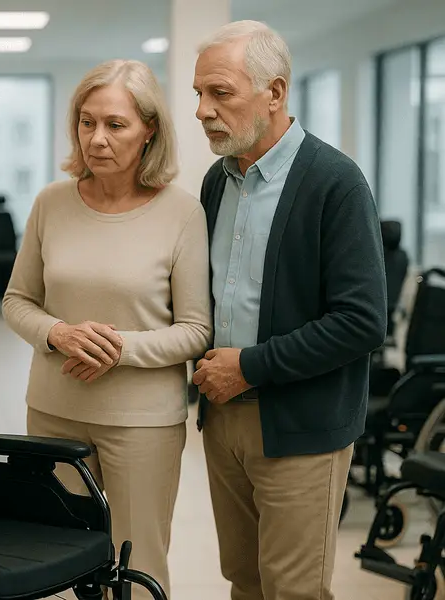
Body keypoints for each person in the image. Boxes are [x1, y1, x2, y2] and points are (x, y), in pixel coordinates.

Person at [191, 20, 387, 600]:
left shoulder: (335, 182)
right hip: (223, 417)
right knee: (246, 582)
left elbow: (361, 321)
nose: (203, 110)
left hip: (301, 424)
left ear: (274, 93)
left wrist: (249, 366)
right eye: (199, 94)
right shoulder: (216, 181)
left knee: (294, 589)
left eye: (219, 93)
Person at [2, 59, 212, 597]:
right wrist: (58, 333)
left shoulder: (183, 213)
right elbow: (17, 300)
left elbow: (195, 330)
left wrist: (118, 348)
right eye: (86, 121)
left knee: (137, 567)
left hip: (141, 424)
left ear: (149, 131)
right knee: (66, 563)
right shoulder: (51, 202)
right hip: (53, 413)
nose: (97, 138)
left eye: (115, 124)